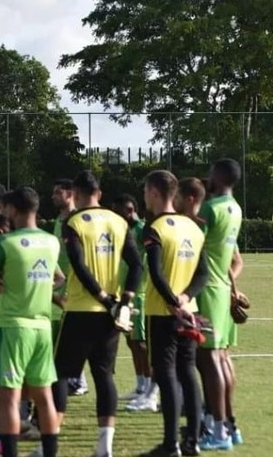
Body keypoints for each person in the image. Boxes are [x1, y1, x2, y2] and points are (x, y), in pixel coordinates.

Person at [50, 171, 142, 457]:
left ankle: (49, 447)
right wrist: (123, 300)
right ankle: (105, 447)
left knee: (61, 375)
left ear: (75, 194)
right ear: (99, 194)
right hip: (111, 314)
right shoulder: (119, 221)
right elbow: (137, 265)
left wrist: (102, 297)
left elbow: (77, 265)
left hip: (80, 309)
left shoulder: (73, 222)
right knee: (104, 377)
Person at [0, 187, 62, 457]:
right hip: (42, 326)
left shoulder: (5, 243)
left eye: (6, 209)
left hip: (13, 326)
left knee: (9, 397)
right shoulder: (52, 241)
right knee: (44, 397)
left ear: (13, 210)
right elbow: (57, 277)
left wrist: (2, 280)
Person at [138, 170, 209, 457]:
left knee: (166, 375)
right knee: (188, 373)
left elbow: (155, 273)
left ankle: (171, 445)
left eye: (145, 191)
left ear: (154, 192)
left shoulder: (154, 228)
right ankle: (192, 441)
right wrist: (186, 298)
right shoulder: (193, 227)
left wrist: (171, 301)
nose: (144, 196)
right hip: (189, 311)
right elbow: (203, 273)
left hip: (163, 313)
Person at [194, 160, 243, 451]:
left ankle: (219, 432)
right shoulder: (234, 207)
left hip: (208, 290)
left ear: (218, 176)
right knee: (222, 358)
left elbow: (191, 242)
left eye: (211, 173)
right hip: (222, 290)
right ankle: (229, 425)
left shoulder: (211, 209)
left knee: (210, 360)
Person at [111, 194, 156, 413]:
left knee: (140, 343)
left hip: (139, 293)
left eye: (127, 211)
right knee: (130, 341)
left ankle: (149, 390)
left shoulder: (141, 229)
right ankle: (140, 386)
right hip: (124, 293)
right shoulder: (120, 229)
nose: (123, 215)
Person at [49, 179, 89, 398]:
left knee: (75, 334)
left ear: (71, 193)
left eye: (58, 192)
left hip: (74, 284)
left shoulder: (78, 220)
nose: (53, 196)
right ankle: (73, 379)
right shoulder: (59, 220)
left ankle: (78, 380)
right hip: (59, 282)